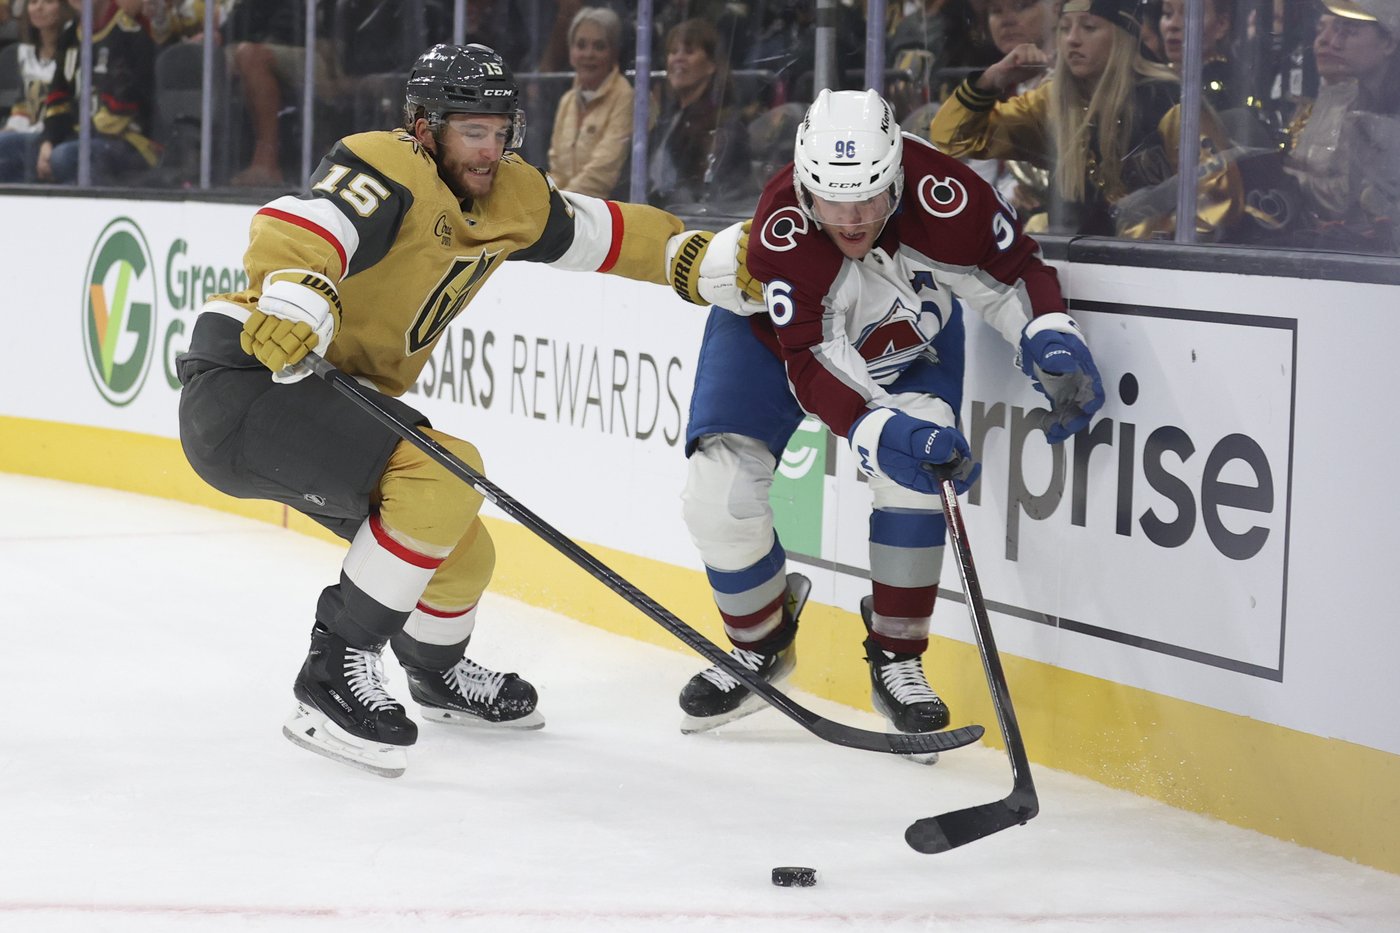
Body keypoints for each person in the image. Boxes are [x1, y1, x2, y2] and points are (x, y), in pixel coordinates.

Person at [175, 43, 733, 777]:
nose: (490, 148)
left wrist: (687, 255)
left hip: (325, 392)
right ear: (422, 126)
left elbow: (599, 232)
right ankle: (331, 674)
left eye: (501, 130)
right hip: (250, 380)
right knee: (448, 473)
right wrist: (302, 288)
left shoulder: (509, 196)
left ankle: (435, 673)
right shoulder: (387, 163)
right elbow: (308, 219)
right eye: (473, 130)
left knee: (463, 551)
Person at [673, 89, 1104, 735]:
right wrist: (880, 428)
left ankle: (899, 659)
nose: (850, 219)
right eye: (832, 201)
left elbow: (1013, 272)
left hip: (909, 340)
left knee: (919, 482)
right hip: (772, 343)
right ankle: (759, 643)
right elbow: (814, 362)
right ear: (805, 187)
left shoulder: (948, 196)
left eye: (870, 199)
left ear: (899, 175)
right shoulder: (782, 226)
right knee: (719, 497)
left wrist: (1047, 333)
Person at [929, 0, 1241, 239]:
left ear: (1122, 36)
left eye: (1089, 27)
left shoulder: (1169, 101)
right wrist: (991, 80)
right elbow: (952, 137)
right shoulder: (1051, 102)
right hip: (1073, 269)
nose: (1073, 40)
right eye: (1064, 29)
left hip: (1156, 278)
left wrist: (1134, 235)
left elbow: (1220, 204)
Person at [1282, 0, 1400, 252]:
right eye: (1336, 30)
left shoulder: (1383, 115)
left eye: (1349, 31)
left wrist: (1286, 180)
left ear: (1389, 42)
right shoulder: (1354, 100)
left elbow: (1347, 203)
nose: (1333, 43)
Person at [38, 0, 160, 184]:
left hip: (129, 141)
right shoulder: (70, 35)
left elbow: (124, 107)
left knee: (63, 156)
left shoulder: (129, 32)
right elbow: (58, 97)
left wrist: (62, 144)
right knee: (10, 148)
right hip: (78, 137)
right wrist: (49, 141)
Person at [646, 17, 750, 210]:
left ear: (712, 65)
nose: (678, 58)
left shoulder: (724, 125)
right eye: (673, 51)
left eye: (689, 51)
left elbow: (702, 196)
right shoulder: (669, 118)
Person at [547, 6, 633, 198]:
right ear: (571, 52)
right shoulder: (567, 100)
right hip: (568, 206)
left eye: (599, 46)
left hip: (609, 210)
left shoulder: (625, 96)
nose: (589, 54)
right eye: (581, 45)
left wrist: (561, 205)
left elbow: (602, 173)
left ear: (614, 53)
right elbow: (557, 170)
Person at [0, 0, 72, 183]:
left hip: (57, 134)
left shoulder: (71, 52)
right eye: (33, 2)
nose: (38, 8)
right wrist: (9, 128)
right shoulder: (25, 53)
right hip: (29, 132)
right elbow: (23, 105)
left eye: (48, 2)